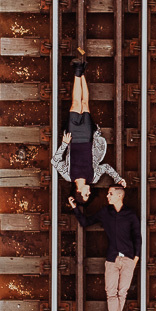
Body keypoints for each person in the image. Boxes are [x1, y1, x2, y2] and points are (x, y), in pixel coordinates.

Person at [68, 181, 140, 311]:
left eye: (110, 194)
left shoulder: (130, 214)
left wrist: (136, 259)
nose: (107, 196)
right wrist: (74, 208)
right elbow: (85, 222)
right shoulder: (105, 213)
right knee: (111, 292)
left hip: (129, 259)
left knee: (122, 293)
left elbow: (137, 237)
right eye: (108, 194)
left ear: (120, 196)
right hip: (112, 259)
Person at [51, 55, 125, 202]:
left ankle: (78, 71)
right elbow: (106, 167)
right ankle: (81, 71)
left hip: (73, 138)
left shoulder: (68, 176)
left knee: (75, 104)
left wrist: (64, 145)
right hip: (87, 136)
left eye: (86, 195)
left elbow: (55, 161)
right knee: (85, 104)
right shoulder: (94, 178)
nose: (89, 193)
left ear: (78, 191)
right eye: (88, 195)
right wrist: (118, 179)